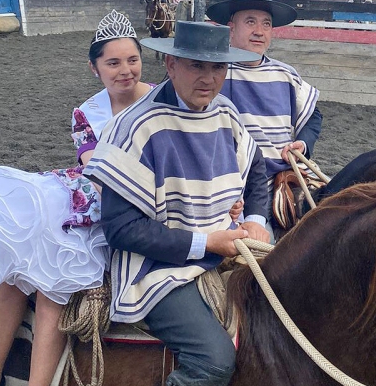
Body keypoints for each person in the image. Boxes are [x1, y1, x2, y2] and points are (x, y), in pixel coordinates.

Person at [0, 10, 153, 386]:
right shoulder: (87, 112)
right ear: (94, 68)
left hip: (132, 202)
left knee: (52, 283)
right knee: (15, 274)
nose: (125, 71)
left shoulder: (159, 101)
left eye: (132, 60)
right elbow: (96, 168)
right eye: (113, 62)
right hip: (92, 195)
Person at [82, 21, 270, 386]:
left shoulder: (225, 111)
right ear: (170, 64)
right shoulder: (135, 126)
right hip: (157, 269)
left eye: (218, 67)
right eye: (196, 65)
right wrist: (206, 242)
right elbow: (122, 230)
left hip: (228, 244)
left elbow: (256, 166)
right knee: (213, 361)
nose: (209, 78)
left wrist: (259, 218)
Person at [206, 0, 323, 233]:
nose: (259, 31)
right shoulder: (212, 72)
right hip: (230, 184)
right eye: (250, 22)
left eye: (266, 24)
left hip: (281, 180)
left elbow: (313, 115)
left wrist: (303, 143)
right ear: (230, 29)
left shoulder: (286, 75)